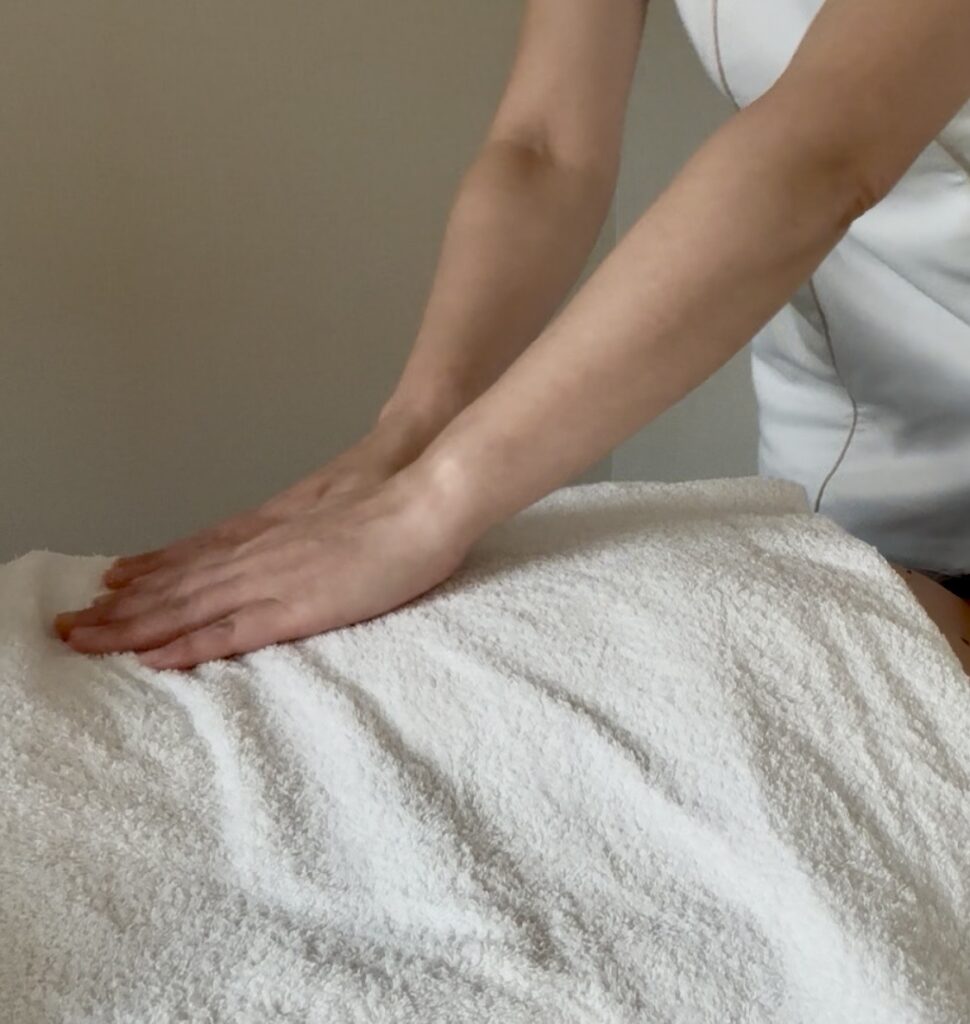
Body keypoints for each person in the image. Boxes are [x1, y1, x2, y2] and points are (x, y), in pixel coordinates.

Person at [54, 0, 970, 671]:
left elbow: (823, 150)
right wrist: (410, 434)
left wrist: (433, 504)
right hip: (855, 450)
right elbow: (546, 150)